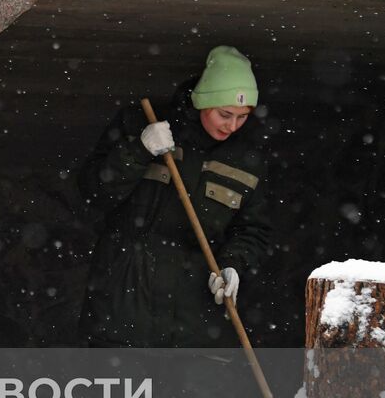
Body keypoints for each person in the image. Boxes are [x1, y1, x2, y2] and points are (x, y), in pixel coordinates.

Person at [77, 46, 274, 349]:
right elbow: (94, 192)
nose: (232, 125)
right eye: (225, 114)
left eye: (242, 117)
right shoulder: (142, 125)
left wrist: (233, 264)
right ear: (203, 101)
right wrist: (138, 151)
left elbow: (253, 229)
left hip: (192, 327)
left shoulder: (247, 160)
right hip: (122, 309)